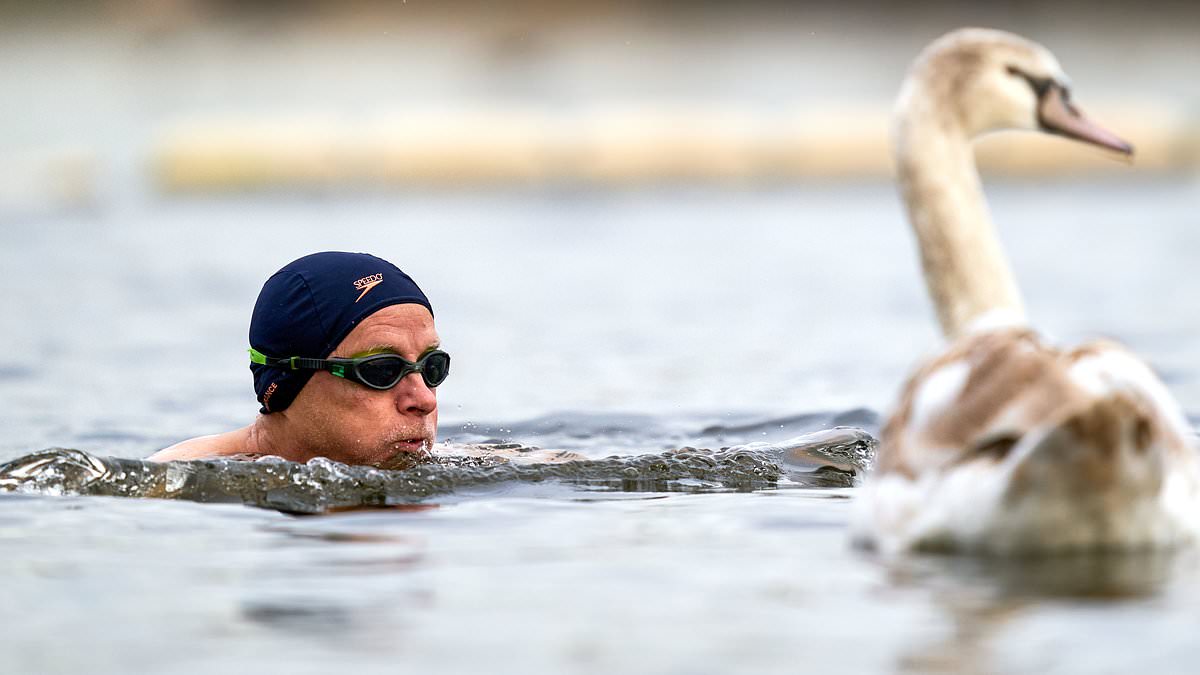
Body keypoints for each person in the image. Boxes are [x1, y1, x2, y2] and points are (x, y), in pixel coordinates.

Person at [149, 251, 448, 469]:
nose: (424, 399)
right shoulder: (172, 479)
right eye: (382, 369)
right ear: (288, 381)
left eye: (432, 366)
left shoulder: (456, 461)